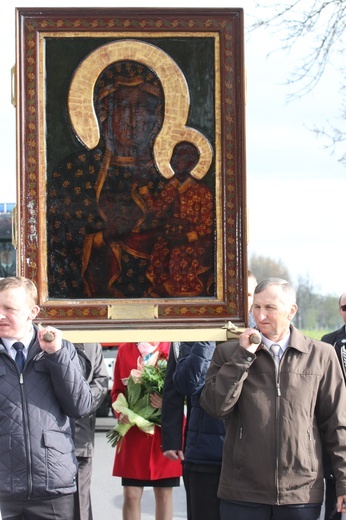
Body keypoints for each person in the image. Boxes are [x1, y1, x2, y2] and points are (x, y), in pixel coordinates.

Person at [200, 277, 346, 520]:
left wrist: (344, 482)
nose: (260, 316)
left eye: (270, 308)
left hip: (300, 492)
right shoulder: (228, 353)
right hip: (242, 492)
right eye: (256, 307)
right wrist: (242, 357)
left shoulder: (321, 355)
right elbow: (215, 406)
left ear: (292, 311)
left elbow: (337, 424)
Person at [0, 276, 93, 520]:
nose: (0, 315)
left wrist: (56, 356)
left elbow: (80, 406)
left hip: (53, 486)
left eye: (9, 309)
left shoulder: (60, 350)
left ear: (33, 312)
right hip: (4, 490)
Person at [111, 341, 183, 520]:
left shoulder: (172, 347)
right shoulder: (125, 349)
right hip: (133, 432)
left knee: (164, 494)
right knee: (131, 494)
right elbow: (117, 390)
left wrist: (166, 404)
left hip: (164, 431)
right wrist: (121, 412)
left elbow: (183, 389)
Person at [162, 341, 225, 520]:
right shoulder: (189, 333)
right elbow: (174, 390)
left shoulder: (255, 326)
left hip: (244, 452)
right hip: (202, 449)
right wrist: (172, 440)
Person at [73, 343, 109, 520]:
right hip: (46, 439)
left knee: (81, 498)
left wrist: (82, 404)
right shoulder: (42, 338)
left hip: (80, 437)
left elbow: (101, 380)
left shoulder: (91, 343)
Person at [320, 293, 346, 520]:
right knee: (333, 488)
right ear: (340, 310)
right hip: (335, 423)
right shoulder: (328, 341)